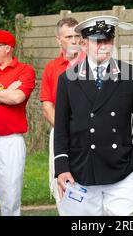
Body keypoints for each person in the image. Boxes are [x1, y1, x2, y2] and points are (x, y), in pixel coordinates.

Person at [54, 15, 133, 216]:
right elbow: (61, 127)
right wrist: (62, 166)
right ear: (84, 43)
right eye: (98, 41)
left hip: (121, 168)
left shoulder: (130, 74)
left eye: (107, 41)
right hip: (82, 168)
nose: (103, 46)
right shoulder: (67, 79)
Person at [0, 29, 35, 216]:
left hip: (11, 141)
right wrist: (2, 96)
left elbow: (17, 98)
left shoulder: (24, 70)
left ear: (8, 48)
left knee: (10, 197)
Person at [39, 17, 84, 211]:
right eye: (69, 36)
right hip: (61, 134)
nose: (74, 40)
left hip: (88, 134)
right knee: (64, 184)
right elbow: (47, 106)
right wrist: (65, 132)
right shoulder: (51, 68)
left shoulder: (92, 64)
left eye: (77, 36)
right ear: (59, 40)